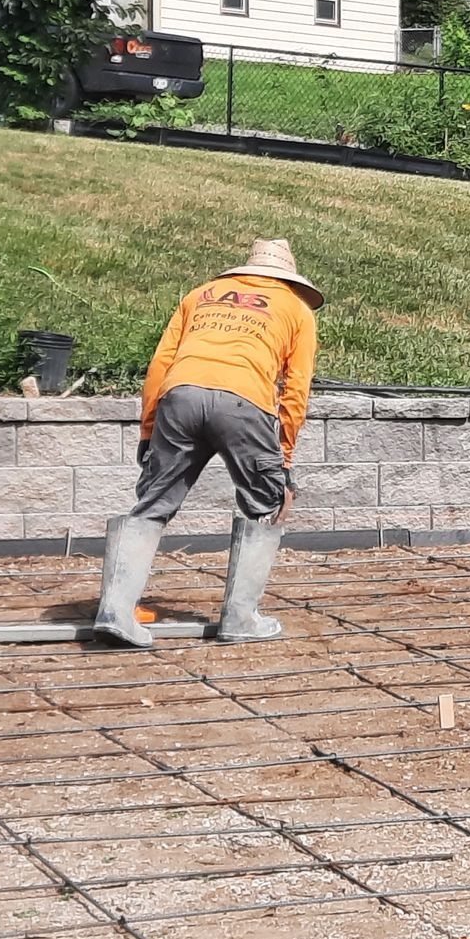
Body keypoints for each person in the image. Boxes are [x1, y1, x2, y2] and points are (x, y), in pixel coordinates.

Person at [91, 239, 321, 647]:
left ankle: (115, 612)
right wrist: (282, 458)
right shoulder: (296, 311)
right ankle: (239, 618)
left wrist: (149, 430)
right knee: (264, 505)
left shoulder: (201, 295)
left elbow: (160, 364)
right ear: (289, 279)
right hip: (244, 403)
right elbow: (296, 388)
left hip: (179, 397)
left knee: (152, 505)